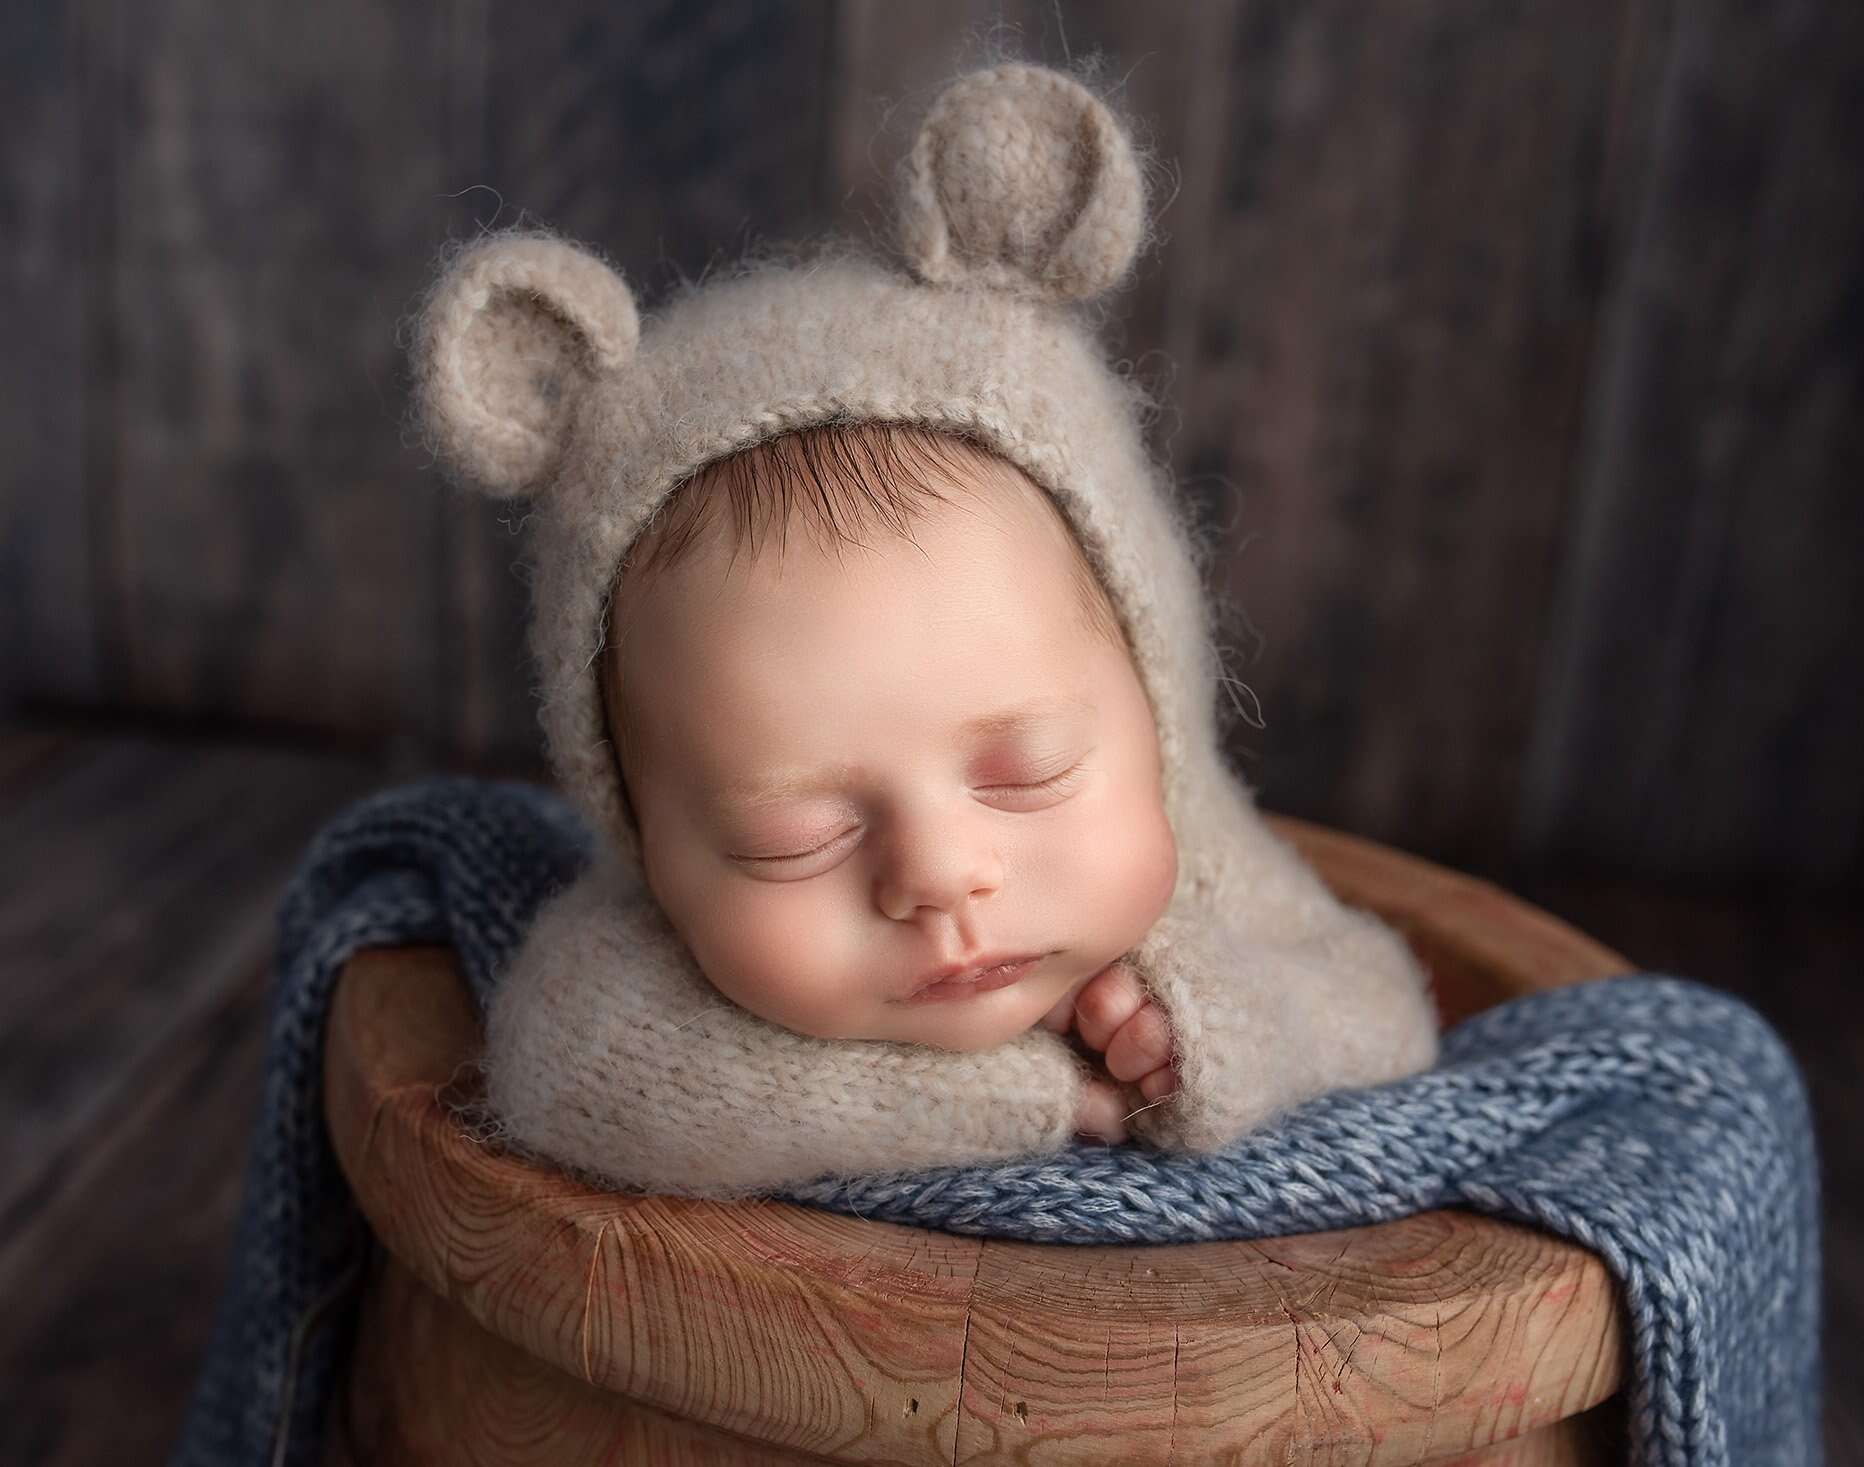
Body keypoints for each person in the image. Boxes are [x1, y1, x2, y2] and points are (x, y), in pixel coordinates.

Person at [407, 59, 1441, 1200]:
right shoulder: (635, 953)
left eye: (1029, 773)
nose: (940, 877)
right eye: (794, 840)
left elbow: (1378, 1004)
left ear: (1150, 702)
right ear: (644, 833)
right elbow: (566, 1070)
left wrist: (1222, 1025)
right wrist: (1017, 1096)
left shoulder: (1207, 867)